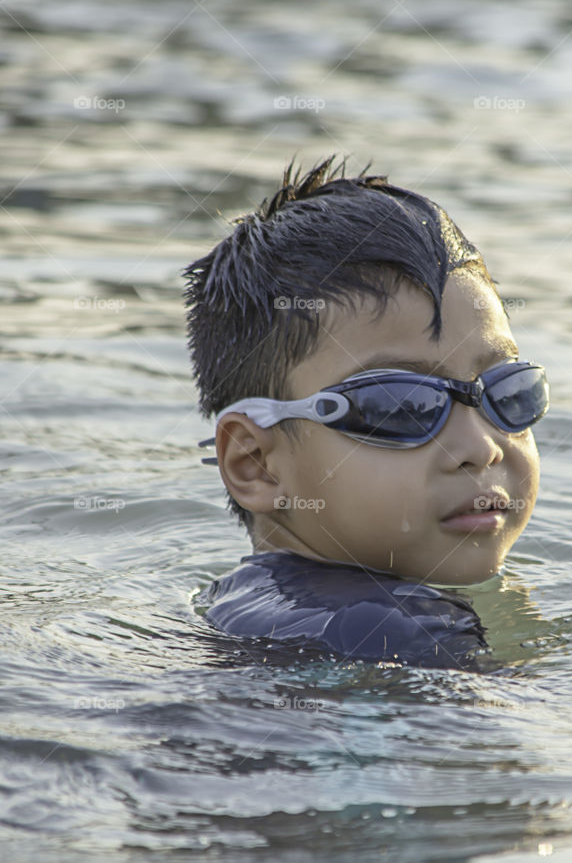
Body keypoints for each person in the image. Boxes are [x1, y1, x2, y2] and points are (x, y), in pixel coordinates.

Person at [184, 157, 549, 669]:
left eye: (507, 392)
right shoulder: (394, 632)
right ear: (256, 464)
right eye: (401, 406)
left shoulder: (244, 610)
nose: (480, 447)